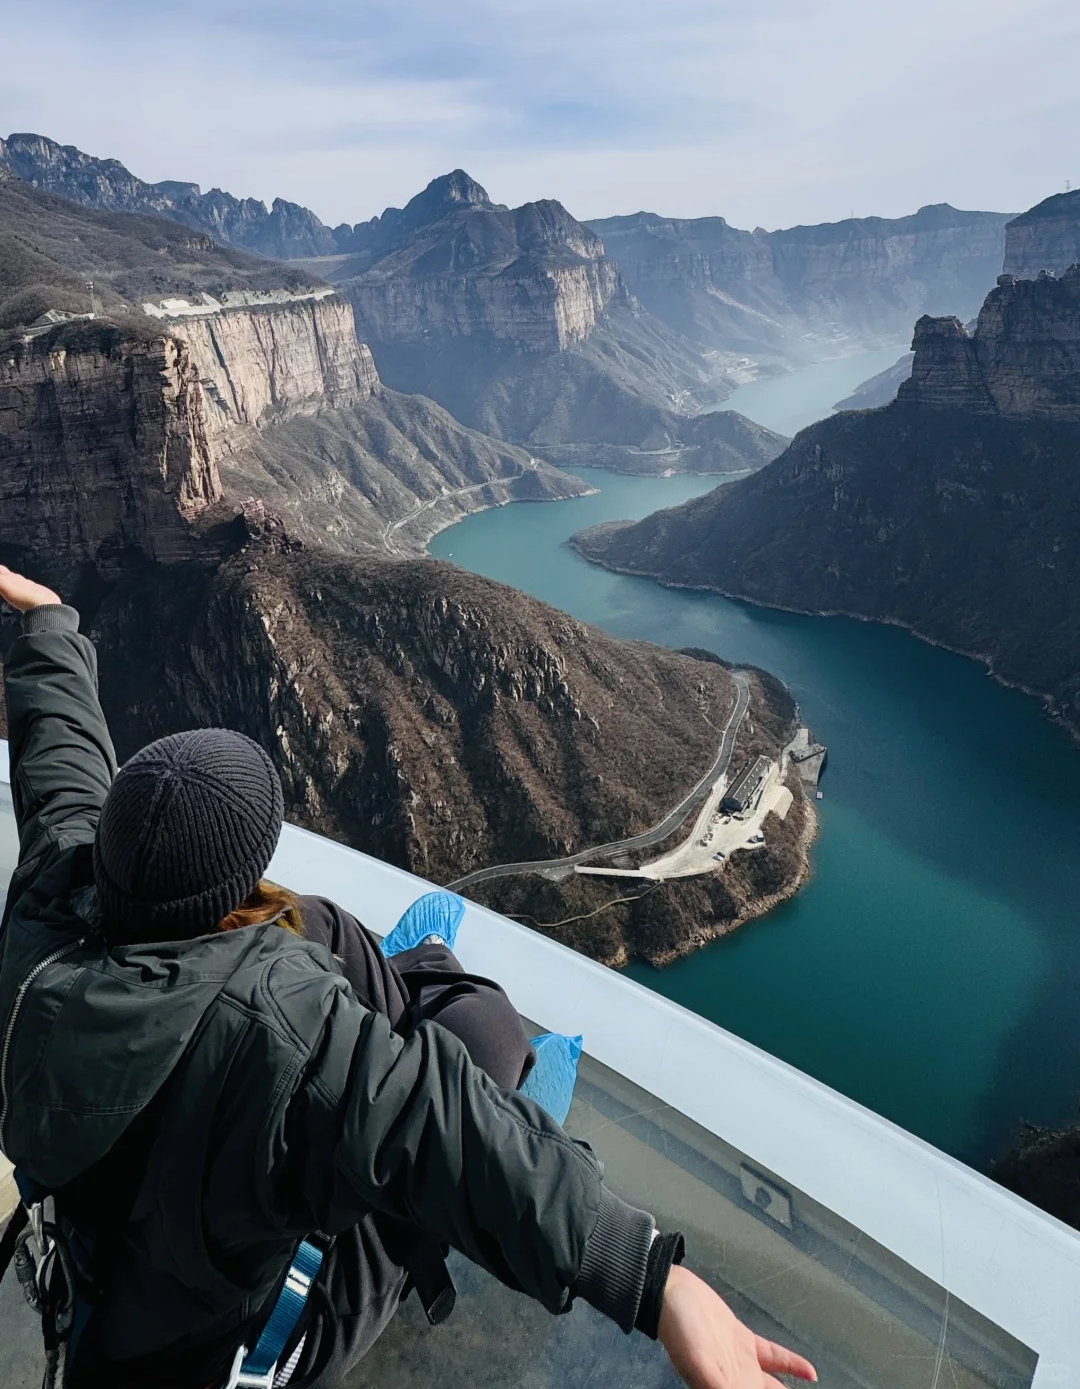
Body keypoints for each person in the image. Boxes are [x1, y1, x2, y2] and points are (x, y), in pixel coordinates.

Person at [0, 562, 816, 1389]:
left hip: (119, 1302)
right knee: (486, 1044)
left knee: (316, 928)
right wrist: (653, 1278)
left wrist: (50, 630)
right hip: (253, 1349)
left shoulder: (52, 908)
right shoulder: (273, 1029)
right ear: (228, 887)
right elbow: (444, 1129)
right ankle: (440, 1003)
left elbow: (60, 767)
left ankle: (406, 985)